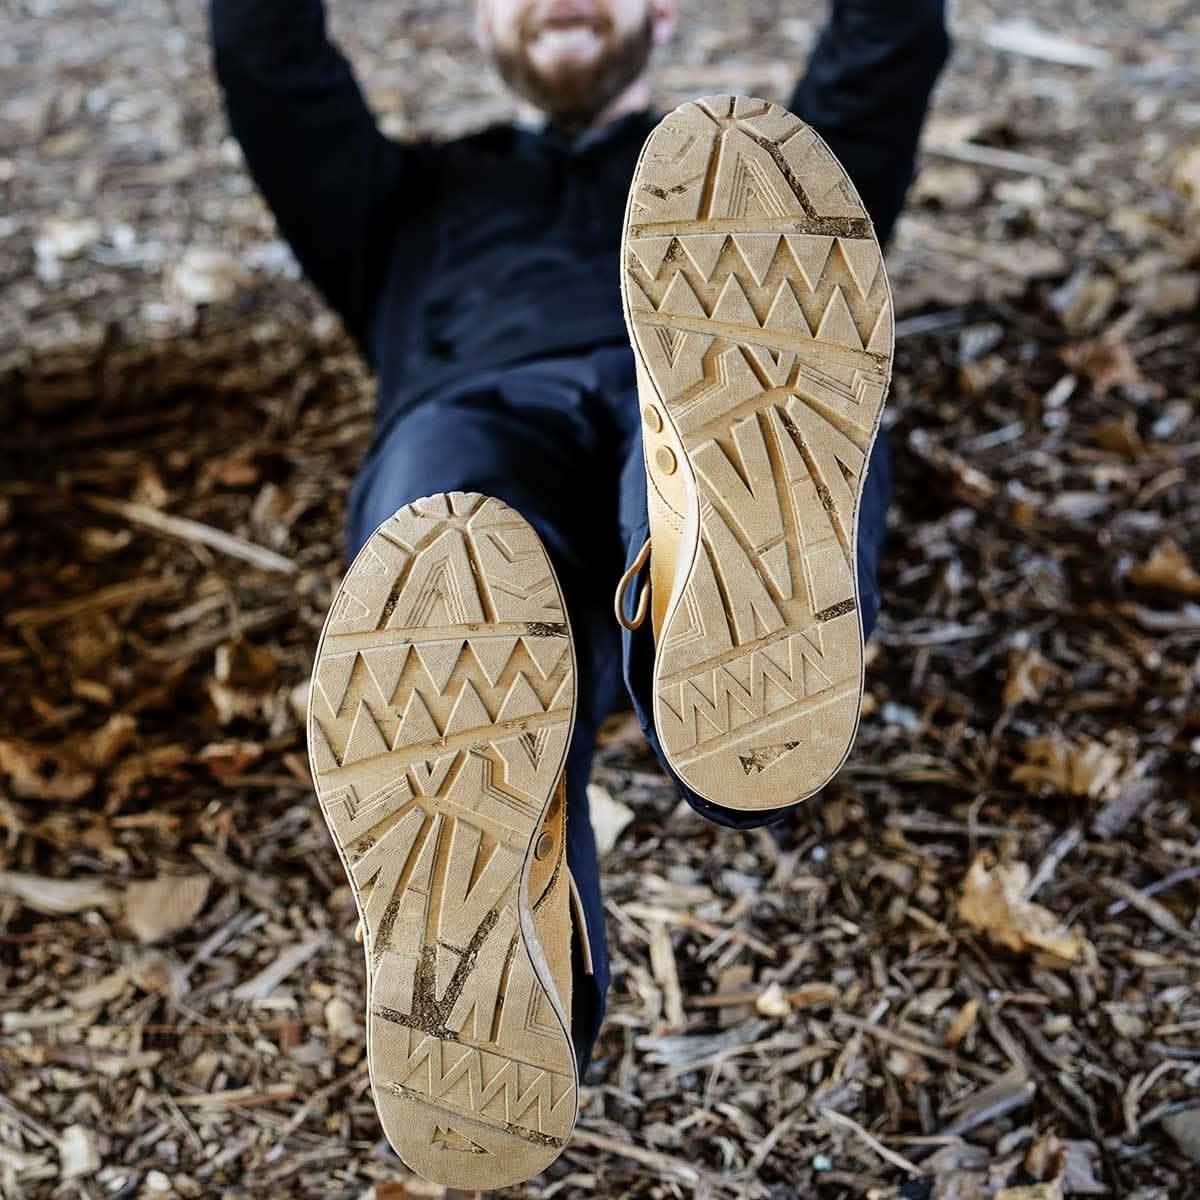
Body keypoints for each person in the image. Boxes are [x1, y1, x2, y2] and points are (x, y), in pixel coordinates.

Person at [209, 0, 950, 1188]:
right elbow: (265, 55)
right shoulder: (395, 200)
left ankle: (726, 585)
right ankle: (511, 954)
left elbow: (889, 45)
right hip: (472, 412)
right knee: (452, 555)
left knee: (767, 362)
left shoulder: (753, 197)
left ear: (660, 16)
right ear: (477, 23)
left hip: (691, 361)